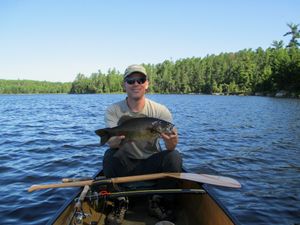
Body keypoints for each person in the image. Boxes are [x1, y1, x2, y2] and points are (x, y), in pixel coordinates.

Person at [102, 64, 182, 224]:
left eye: (141, 80)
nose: (136, 84)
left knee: (174, 157)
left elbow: (170, 147)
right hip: (127, 164)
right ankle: (120, 199)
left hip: (151, 164)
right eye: (131, 81)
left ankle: (158, 201)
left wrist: (172, 143)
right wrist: (116, 140)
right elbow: (111, 144)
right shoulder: (113, 110)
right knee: (109, 156)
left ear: (147, 84)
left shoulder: (160, 111)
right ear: (124, 85)